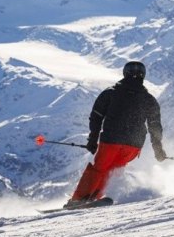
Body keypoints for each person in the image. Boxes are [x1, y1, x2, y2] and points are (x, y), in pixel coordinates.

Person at [64, 60, 167, 208]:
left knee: (99, 168)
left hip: (112, 140)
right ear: (143, 76)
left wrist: (92, 140)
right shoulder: (149, 100)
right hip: (133, 146)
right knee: (114, 170)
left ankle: (79, 199)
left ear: (125, 74)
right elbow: (155, 127)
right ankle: (96, 197)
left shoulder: (110, 93)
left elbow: (96, 117)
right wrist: (158, 149)